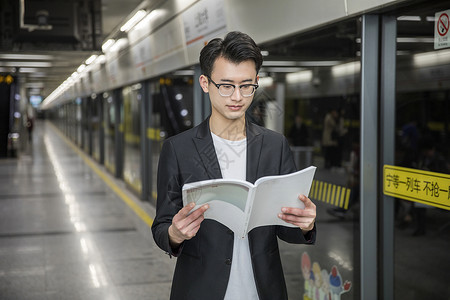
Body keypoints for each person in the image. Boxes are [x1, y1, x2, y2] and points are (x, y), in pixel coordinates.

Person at [151, 31, 317, 300]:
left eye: (246, 86)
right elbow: (161, 227)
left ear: (256, 83)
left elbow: (286, 229)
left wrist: (305, 224)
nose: (237, 97)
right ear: (205, 83)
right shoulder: (178, 149)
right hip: (201, 289)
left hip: (263, 289)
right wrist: (175, 233)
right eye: (226, 86)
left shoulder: (275, 146)